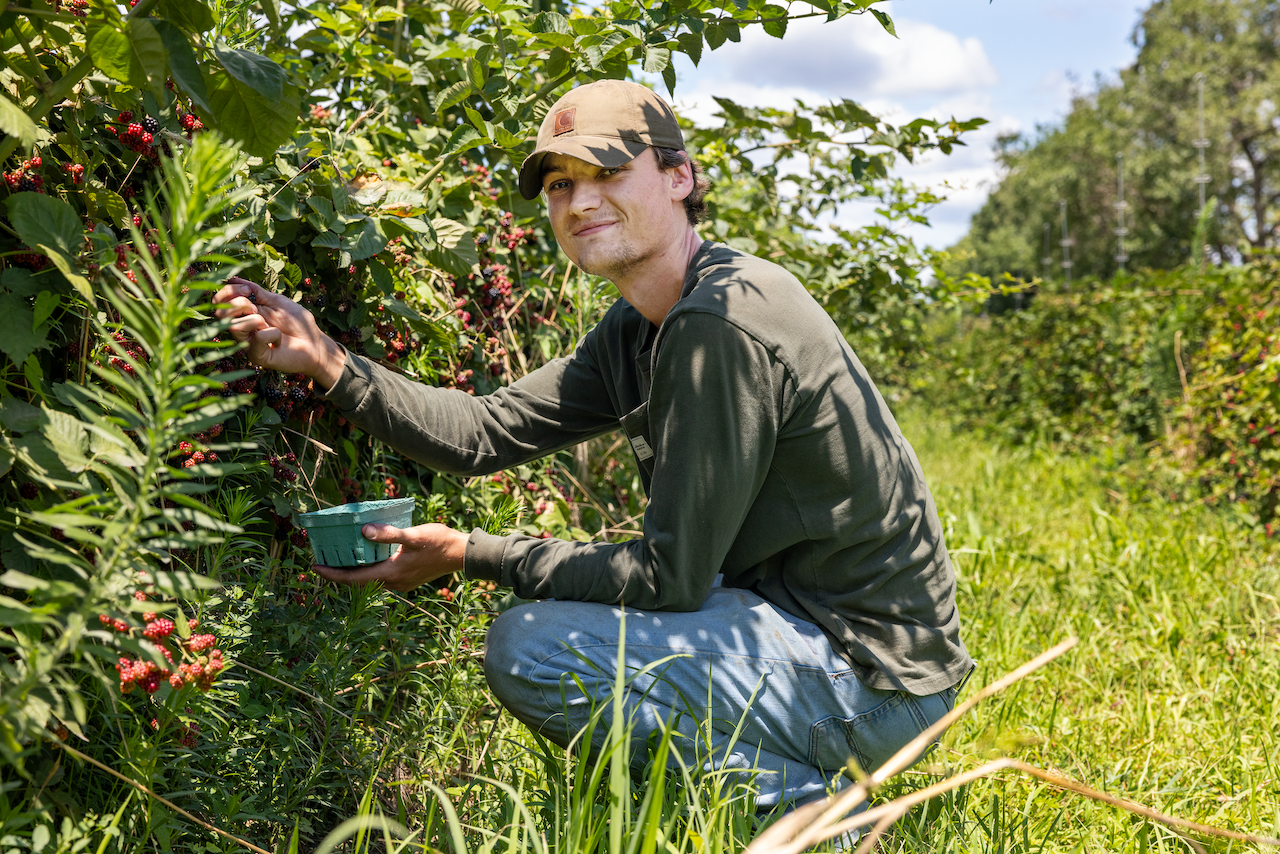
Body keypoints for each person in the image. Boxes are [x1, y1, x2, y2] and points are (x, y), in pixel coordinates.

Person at [213, 79, 972, 816]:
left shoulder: (719, 322)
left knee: (532, 646)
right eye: (557, 186)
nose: (579, 202)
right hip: (799, 632)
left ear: (679, 177)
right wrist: (327, 361)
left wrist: (470, 553)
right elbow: (483, 432)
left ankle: (815, 820)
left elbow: (670, 578)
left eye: (607, 172)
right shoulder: (645, 322)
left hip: (874, 682)